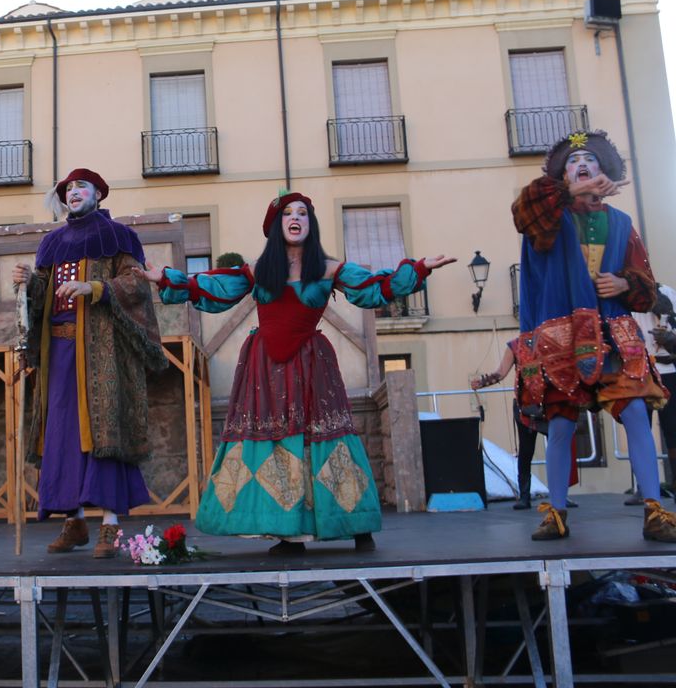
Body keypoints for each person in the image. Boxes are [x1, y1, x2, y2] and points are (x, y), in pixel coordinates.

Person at [137, 192, 454, 553]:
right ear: (276, 225)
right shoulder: (259, 271)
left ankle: (354, 524)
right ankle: (288, 532)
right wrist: (164, 277)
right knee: (274, 442)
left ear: (310, 223)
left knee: (328, 439)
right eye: (288, 212)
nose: (296, 218)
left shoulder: (329, 269)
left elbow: (374, 289)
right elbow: (210, 287)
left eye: (303, 213)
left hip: (311, 366)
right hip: (265, 368)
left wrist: (419, 268)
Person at [512, 130, 676, 542]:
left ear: (605, 171)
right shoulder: (548, 217)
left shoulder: (621, 223)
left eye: (589, 160)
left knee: (637, 413)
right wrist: (573, 191)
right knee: (562, 422)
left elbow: (647, 285)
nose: (581, 163)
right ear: (562, 175)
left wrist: (624, 284)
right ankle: (557, 512)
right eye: (572, 161)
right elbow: (524, 210)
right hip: (561, 335)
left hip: (614, 332)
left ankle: (655, 510)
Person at [11, 169, 167, 558]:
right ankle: (74, 521)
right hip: (58, 354)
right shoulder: (51, 243)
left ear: (98, 192)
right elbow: (44, 296)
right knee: (60, 435)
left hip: (101, 353)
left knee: (103, 432)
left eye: (81, 186)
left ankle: (110, 527)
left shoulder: (119, 237)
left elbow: (136, 284)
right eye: (68, 189)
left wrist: (95, 288)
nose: (74, 192)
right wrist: (29, 282)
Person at [471, 342, 579, 510]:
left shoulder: (552, 341)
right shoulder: (515, 346)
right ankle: (524, 496)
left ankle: (560, 496)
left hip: (551, 405)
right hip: (526, 408)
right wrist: (482, 383)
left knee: (560, 449)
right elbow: (500, 373)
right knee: (526, 451)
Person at [633, 283, 676, 500]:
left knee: (673, 430)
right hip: (639, 371)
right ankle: (643, 486)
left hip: (668, 369)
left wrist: (671, 339)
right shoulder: (626, 295)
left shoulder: (667, 293)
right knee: (640, 430)